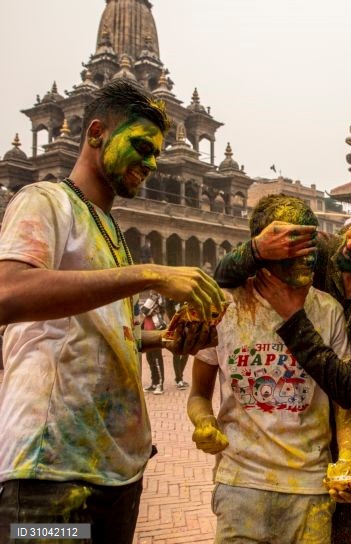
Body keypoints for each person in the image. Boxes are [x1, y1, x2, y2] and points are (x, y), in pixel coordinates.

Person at [0, 79, 225, 543]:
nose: (151, 162)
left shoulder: (111, 233)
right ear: (97, 132)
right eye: (141, 146)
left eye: (157, 152)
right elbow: (7, 292)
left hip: (117, 472)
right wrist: (149, 274)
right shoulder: (46, 200)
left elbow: (101, 330)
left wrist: (163, 339)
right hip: (50, 475)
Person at [214, 192, 351, 543]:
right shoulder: (326, 251)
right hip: (300, 441)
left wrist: (293, 318)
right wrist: (256, 250)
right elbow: (224, 276)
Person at [188, 195, 351, 543]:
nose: (305, 255)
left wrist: (349, 456)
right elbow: (198, 393)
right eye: (291, 244)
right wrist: (204, 422)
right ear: (265, 248)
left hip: (310, 486)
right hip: (240, 484)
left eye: (309, 243)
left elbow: (344, 406)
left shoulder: (327, 310)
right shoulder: (225, 307)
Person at [141, 290, 167, 394]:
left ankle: (160, 384)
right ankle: (154, 383)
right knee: (150, 358)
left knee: (156, 359)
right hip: (148, 330)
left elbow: (144, 310)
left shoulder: (157, 297)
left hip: (155, 331)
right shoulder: (152, 297)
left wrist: (146, 308)